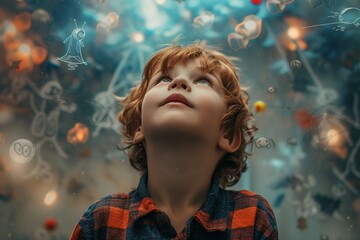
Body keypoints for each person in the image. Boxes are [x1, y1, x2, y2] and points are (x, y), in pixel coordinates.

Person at [70, 41, 278, 240]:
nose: (179, 82)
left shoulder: (252, 218)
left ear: (228, 134)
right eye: (164, 79)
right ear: (138, 127)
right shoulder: (101, 220)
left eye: (203, 81)